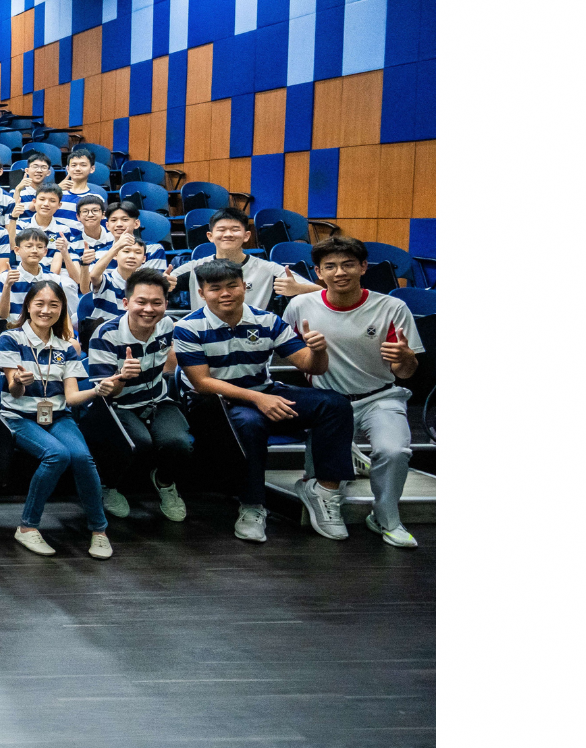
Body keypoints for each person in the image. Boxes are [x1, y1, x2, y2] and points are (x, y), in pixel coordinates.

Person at [173, 259, 349, 543]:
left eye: (233, 286)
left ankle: (324, 490)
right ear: (202, 293)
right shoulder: (187, 327)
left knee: (334, 404)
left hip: (261, 390)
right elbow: (201, 383)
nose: (226, 293)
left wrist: (318, 351)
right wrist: (259, 399)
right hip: (215, 404)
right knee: (251, 422)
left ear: (245, 286)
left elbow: (311, 366)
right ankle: (253, 505)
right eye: (215, 288)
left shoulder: (267, 321)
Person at [283, 237, 425, 548]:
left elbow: (407, 372)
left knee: (394, 451)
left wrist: (404, 357)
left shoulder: (392, 307)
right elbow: (287, 354)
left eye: (348, 264)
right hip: (328, 405)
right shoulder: (300, 306)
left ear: (363, 267)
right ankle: (346, 455)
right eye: (330, 266)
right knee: (319, 478)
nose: (339, 272)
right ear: (319, 272)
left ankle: (386, 516)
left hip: (380, 396)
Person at [0, 281, 114, 559]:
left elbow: (70, 397)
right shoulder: (10, 338)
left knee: (82, 457)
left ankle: (99, 530)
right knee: (57, 455)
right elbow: (13, 389)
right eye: (40, 304)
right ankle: (27, 527)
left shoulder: (67, 347)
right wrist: (19, 382)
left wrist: (97, 389)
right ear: (28, 306)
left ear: (62, 309)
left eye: (54, 305)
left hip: (58, 415)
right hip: (19, 416)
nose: (46, 310)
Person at [82, 267, 190, 523]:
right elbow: (105, 391)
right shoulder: (106, 334)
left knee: (180, 444)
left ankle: (164, 482)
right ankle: (108, 486)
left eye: (157, 303)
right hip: (116, 404)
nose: (149, 309)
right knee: (138, 443)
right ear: (126, 302)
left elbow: (169, 362)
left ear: (166, 303)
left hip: (157, 400)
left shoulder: (166, 325)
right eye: (141, 302)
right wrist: (121, 376)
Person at [172, 208, 319, 308]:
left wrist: (299, 288)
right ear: (210, 236)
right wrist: (165, 285)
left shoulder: (268, 269)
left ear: (247, 236)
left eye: (235, 230)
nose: (228, 234)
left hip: (253, 343)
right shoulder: (193, 268)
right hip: (204, 341)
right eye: (221, 230)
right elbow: (155, 288)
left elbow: (321, 292)